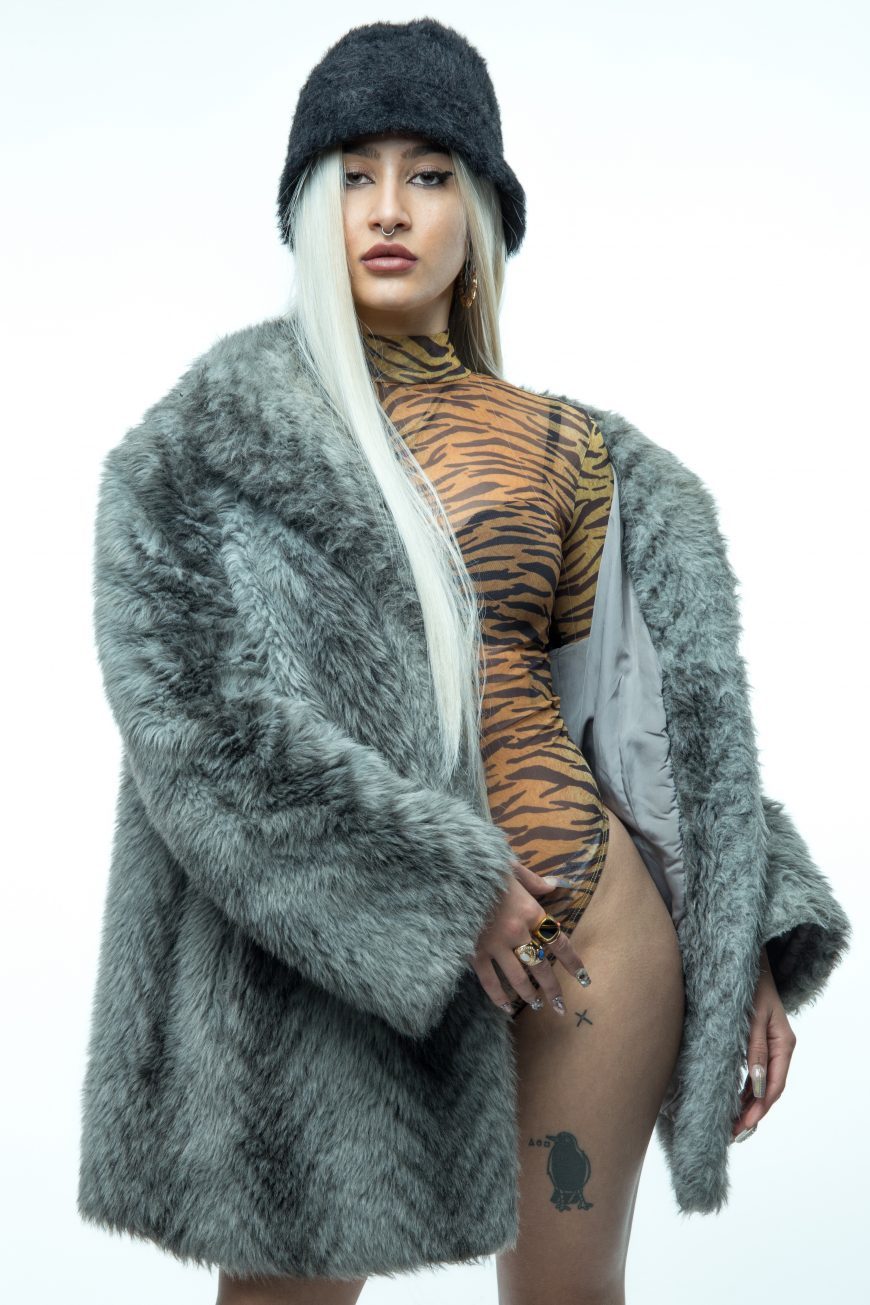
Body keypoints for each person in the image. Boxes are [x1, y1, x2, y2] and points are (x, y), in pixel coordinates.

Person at [77, 19, 851, 1305]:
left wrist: (745, 935)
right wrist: (440, 888)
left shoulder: (578, 454)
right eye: (354, 176)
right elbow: (203, 733)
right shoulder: (207, 450)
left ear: (482, 212)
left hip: (590, 937)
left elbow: (648, 732)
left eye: (430, 175)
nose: (389, 209)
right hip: (335, 958)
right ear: (309, 211)